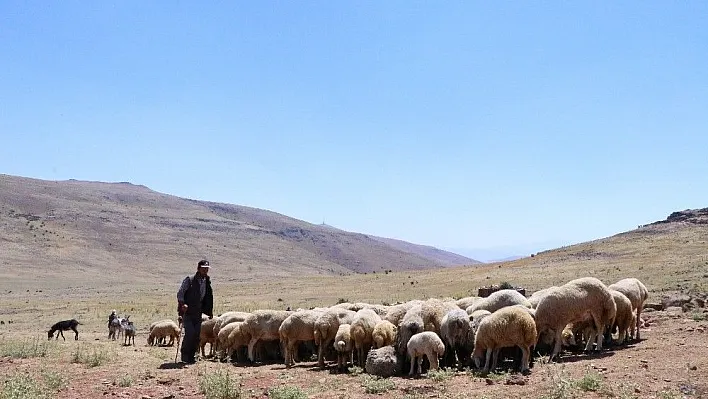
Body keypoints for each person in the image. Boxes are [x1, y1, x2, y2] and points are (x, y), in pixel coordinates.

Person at [176, 259, 214, 364]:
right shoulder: (190, 280)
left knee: (197, 335)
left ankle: (192, 356)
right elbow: (180, 293)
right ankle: (185, 356)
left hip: (198, 312)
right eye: (203, 269)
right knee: (190, 333)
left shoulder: (206, 281)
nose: (205, 271)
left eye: (207, 269)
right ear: (198, 269)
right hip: (187, 312)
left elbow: (208, 296)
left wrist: (209, 311)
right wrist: (183, 304)